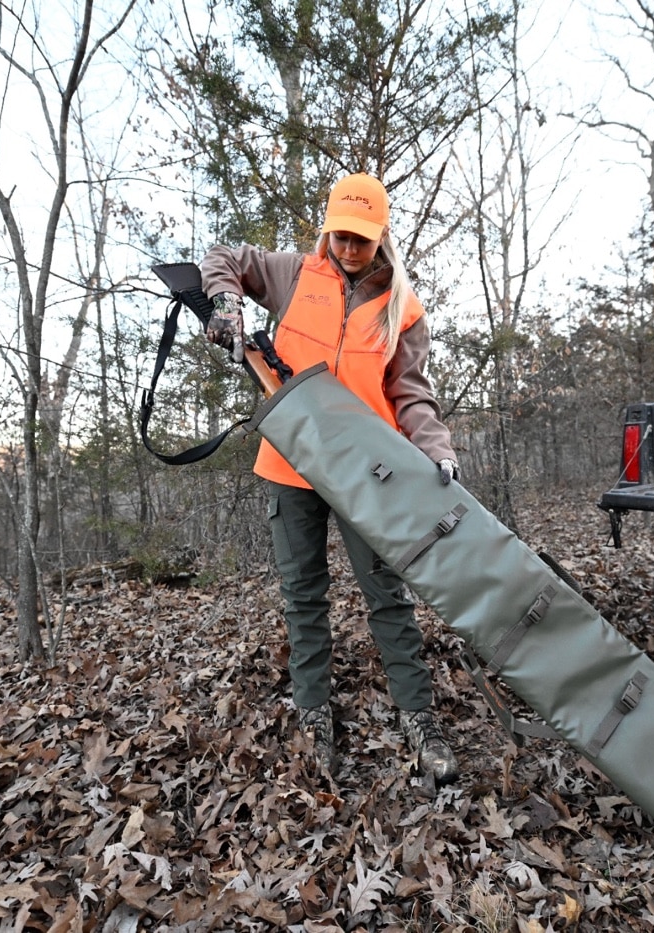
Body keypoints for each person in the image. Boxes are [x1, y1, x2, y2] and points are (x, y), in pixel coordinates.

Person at [200, 172, 460, 783]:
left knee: (387, 595)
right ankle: (314, 714)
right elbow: (222, 257)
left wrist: (436, 447)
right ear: (327, 230)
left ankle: (418, 718)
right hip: (291, 464)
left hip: (370, 472)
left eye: (361, 241)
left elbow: (411, 393)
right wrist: (227, 304)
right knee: (303, 595)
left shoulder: (403, 307)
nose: (348, 250)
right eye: (340, 236)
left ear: (381, 238)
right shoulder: (292, 273)